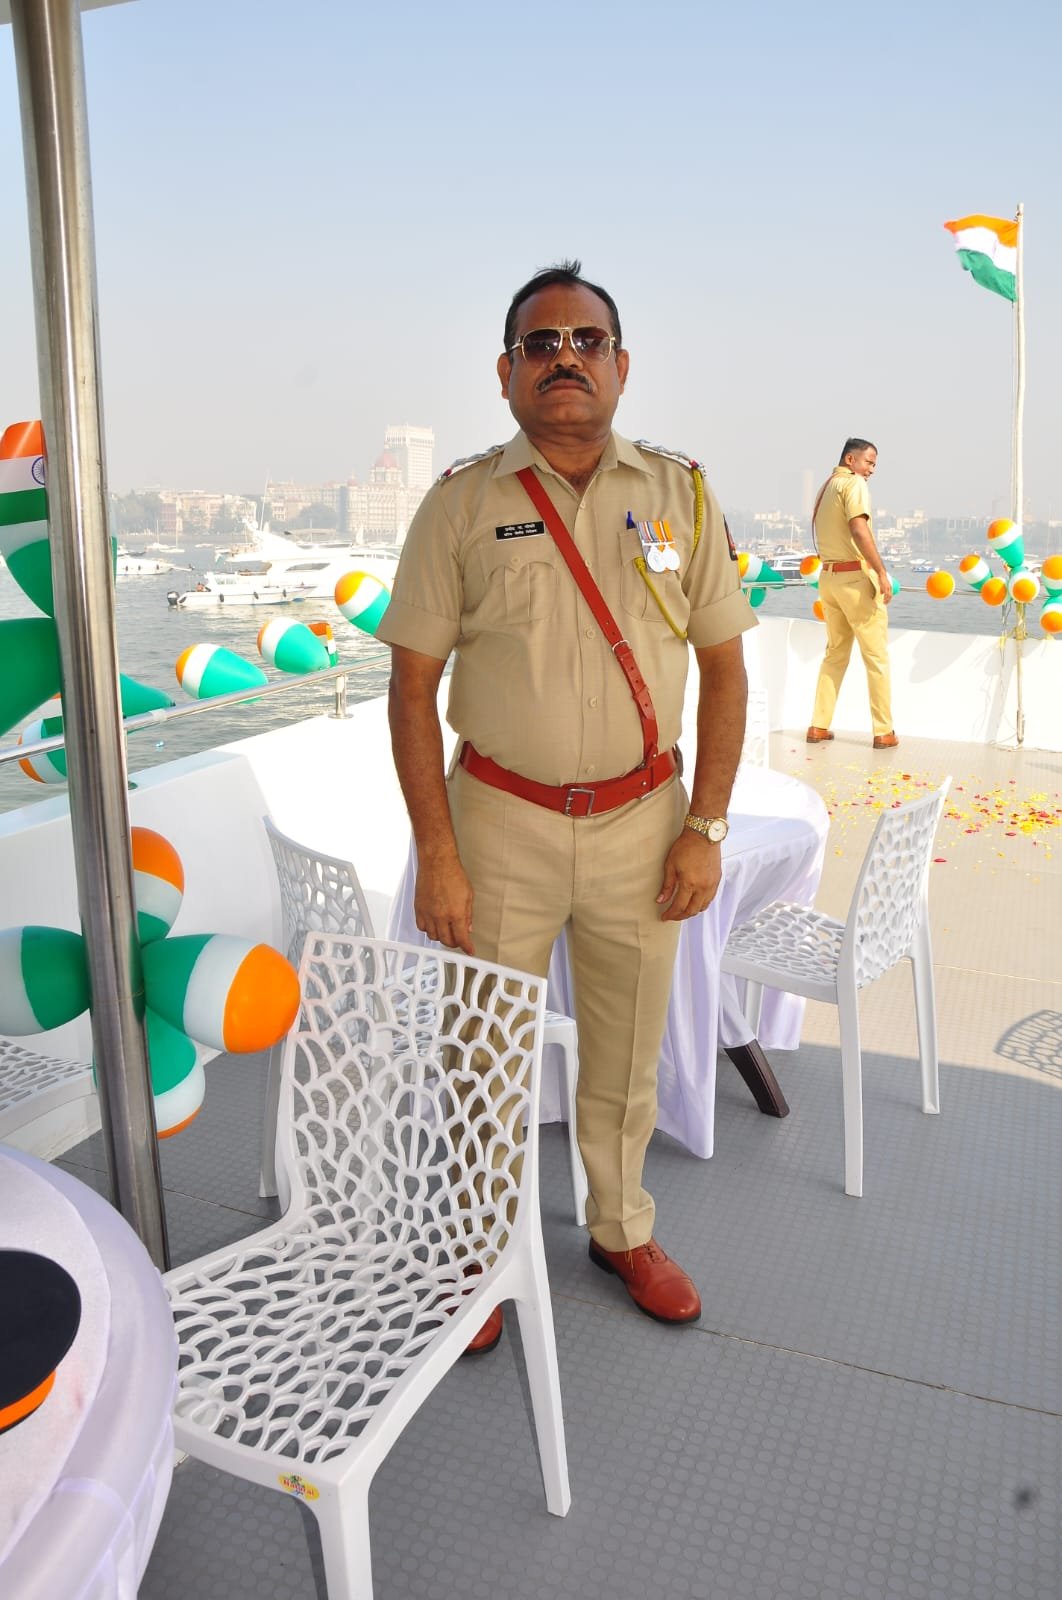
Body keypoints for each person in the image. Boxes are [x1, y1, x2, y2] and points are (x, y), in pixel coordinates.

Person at [377, 260, 755, 1351]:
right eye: (539, 345)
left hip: (647, 823)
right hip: (500, 821)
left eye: (586, 341)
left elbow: (726, 672)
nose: (564, 359)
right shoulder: (459, 504)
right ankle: (480, 1246)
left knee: (627, 1046)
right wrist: (438, 853)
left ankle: (621, 1226)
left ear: (621, 366)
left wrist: (705, 826)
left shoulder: (681, 496)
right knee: (483, 1049)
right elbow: (411, 688)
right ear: (505, 374)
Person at [807, 438, 898, 748]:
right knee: (876, 657)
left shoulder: (826, 487)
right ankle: (883, 731)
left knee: (834, 655)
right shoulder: (854, 484)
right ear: (851, 459)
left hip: (828, 579)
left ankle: (818, 726)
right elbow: (859, 529)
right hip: (854, 580)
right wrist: (881, 572)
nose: (872, 470)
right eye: (869, 462)